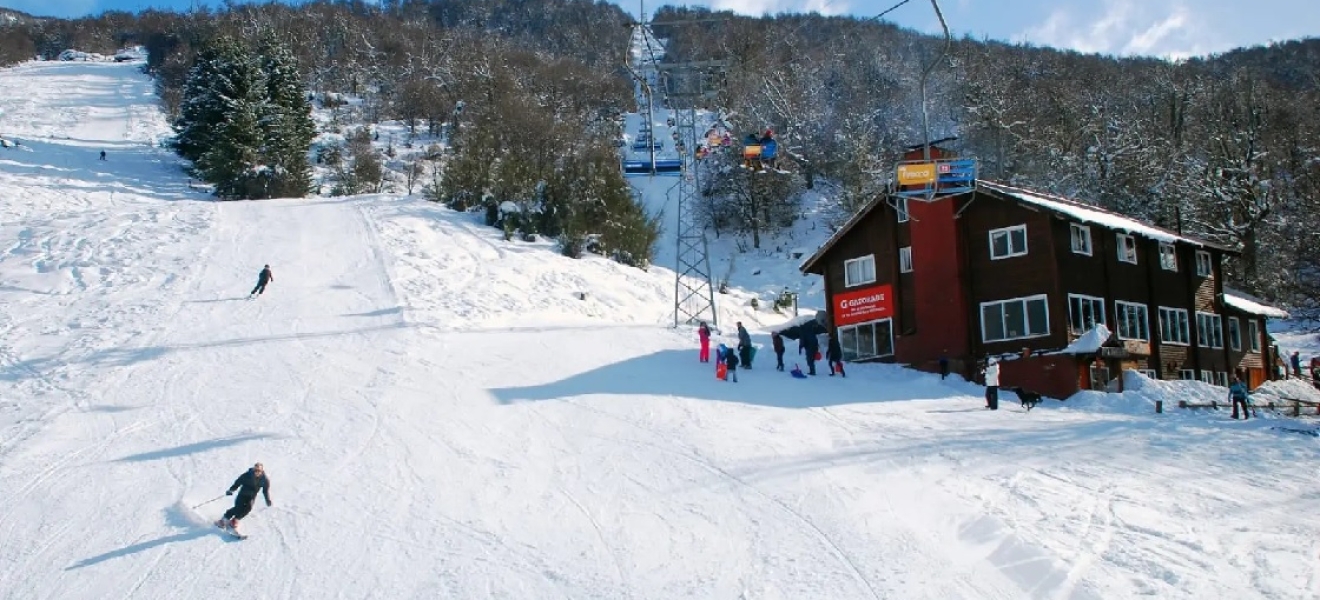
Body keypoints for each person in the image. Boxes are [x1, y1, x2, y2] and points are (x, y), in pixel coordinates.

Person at [216, 462, 271, 532]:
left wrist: (267, 500)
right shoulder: (246, 475)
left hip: (251, 497)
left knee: (248, 508)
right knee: (238, 508)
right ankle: (223, 520)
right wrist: (231, 490)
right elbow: (238, 482)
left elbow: (265, 491)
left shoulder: (265, 480)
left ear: (262, 471)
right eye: (255, 470)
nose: (256, 472)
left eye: (258, 471)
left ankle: (234, 520)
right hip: (242, 494)